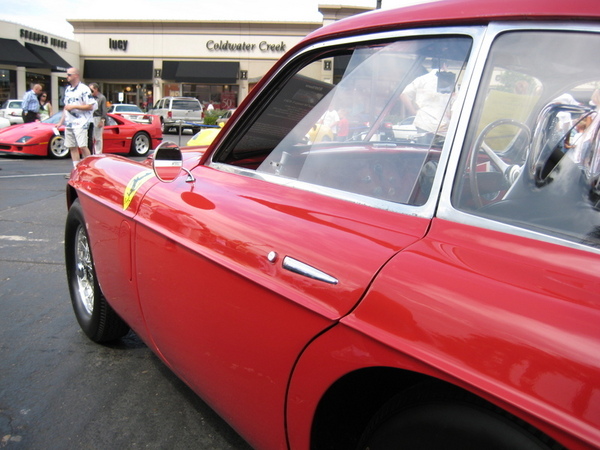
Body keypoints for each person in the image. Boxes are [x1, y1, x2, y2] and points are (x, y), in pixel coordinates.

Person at [56, 68, 97, 172]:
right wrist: (61, 122)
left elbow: (90, 106)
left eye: (69, 75)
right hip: (69, 122)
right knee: (72, 146)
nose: (67, 77)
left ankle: (89, 168)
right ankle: (76, 169)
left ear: (76, 75)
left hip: (81, 122)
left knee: (83, 145)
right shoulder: (68, 90)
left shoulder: (84, 89)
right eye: (67, 75)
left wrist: (74, 107)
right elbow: (66, 107)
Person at [89, 83, 107, 154]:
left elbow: (104, 110)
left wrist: (102, 120)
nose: (90, 91)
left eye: (92, 89)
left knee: (98, 137)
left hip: (97, 117)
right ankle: (92, 152)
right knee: (91, 137)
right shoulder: (89, 97)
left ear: (96, 89)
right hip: (90, 117)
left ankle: (98, 153)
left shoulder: (101, 98)